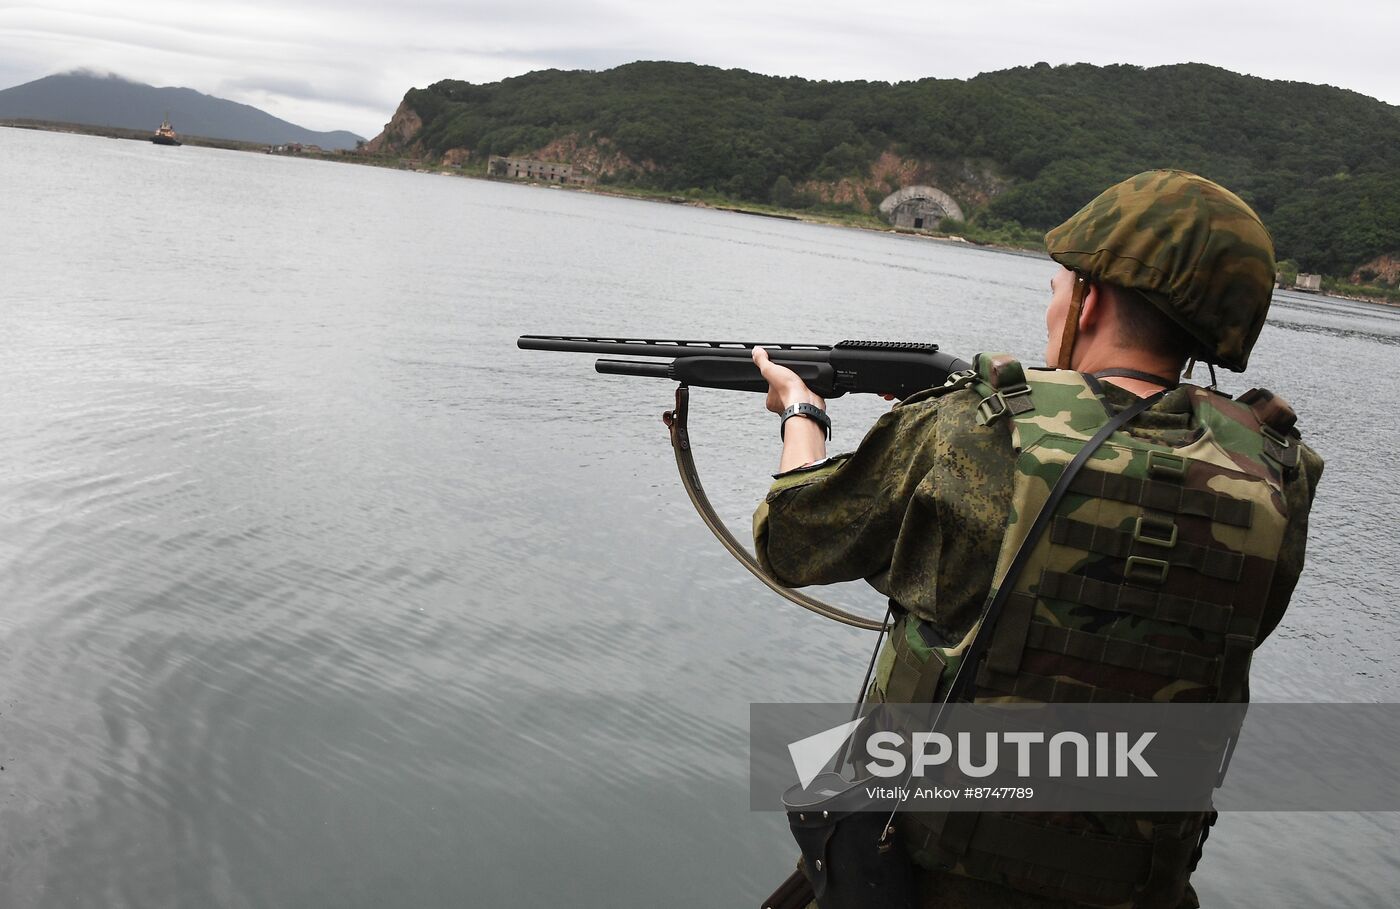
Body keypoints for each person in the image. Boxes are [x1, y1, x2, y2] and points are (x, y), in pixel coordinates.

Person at [750, 170, 1324, 908]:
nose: (1053, 303)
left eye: (1059, 285)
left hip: (924, 875)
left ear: (1094, 297)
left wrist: (801, 412)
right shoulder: (1278, 472)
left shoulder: (980, 423)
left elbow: (791, 540)